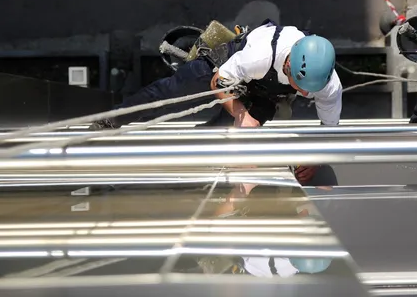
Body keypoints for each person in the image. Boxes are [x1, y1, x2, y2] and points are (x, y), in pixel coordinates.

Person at [91, 19, 343, 183]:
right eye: (301, 87)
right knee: (170, 93)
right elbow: (218, 82)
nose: (306, 94)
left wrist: (315, 159)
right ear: (288, 64)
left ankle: (193, 164)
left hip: (265, 89)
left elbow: (329, 130)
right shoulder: (259, 56)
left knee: (223, 137)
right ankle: (112, 119)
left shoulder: (328, 85)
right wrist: (241, 114)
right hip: (226, 67)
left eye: (311, 90)